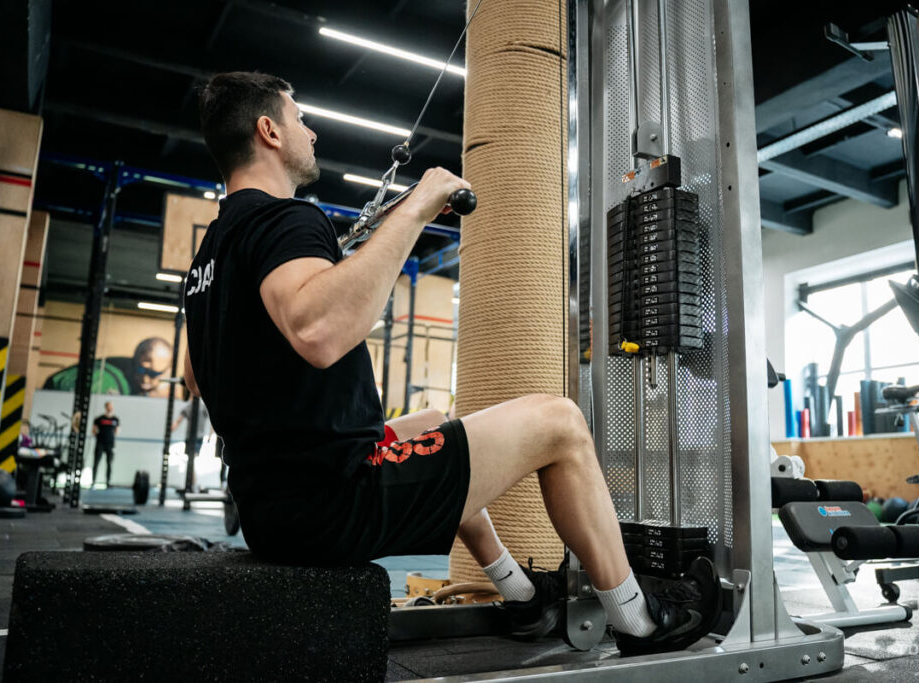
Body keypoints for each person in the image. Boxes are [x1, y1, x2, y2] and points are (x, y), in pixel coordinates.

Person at [183, 72, 720, 655]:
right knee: (560, 423)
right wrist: (415, 207)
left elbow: (198, 376)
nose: (309, 131)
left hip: (270, 509)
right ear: (268, 131)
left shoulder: (211, 251)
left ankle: (522, 597)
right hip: (330, 505)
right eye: (298, 117)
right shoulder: (284, 218)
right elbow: (318, 332)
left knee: (436, 425)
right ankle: (641, 619)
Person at [42, 337, 173, 397]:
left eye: (153, 374)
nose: (145, 379)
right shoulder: (106, 381)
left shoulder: (131, 386)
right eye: (141, 370)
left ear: (166, 373)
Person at [91, 401, 120, 486]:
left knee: (109, 463)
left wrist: (111, 439)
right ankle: (93, 481)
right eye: (109, 406)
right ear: (106, 407)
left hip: (110, 444)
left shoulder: (115, 419)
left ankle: (108, 482)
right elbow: (93, 430)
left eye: (112, 406)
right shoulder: (99, 419)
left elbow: (116, 432)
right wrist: (98, 436)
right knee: (96, 463)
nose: (111, 408)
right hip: (100, 443)